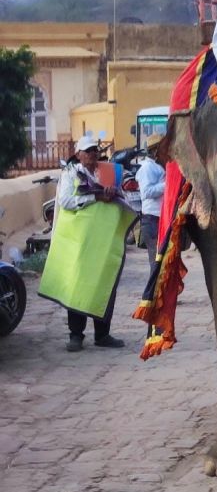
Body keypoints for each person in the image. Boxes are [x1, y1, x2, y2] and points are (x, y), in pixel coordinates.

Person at [53, 133, 128, 352]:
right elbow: (65, 200)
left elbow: (121, 194)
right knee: (78, 285)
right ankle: (76, 335)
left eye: (95, 150)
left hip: (103, 239)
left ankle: (102, 334)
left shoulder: (107, 171)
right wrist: (94, 197)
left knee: (105, 283)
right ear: (78, 154)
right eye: (88, 151)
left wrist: (114, 193)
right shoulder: (70, 173)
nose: (92, 154)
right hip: (80, 240)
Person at [135, 135, 167, 273]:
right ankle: (152, 294)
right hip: (152, 220)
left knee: (163, 264)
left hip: (161, 219)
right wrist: (167, 185)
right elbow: (146, 192)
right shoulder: (147, 168)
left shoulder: (159, 166)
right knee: (156, 265)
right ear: (155, 150)